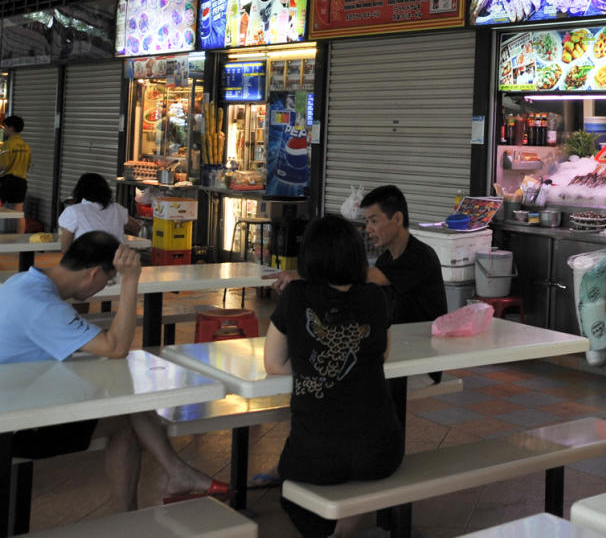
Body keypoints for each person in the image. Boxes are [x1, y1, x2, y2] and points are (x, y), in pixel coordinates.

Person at [0, 232, 226, 511]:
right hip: (11, 426)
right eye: (108, 281)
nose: (104, 287)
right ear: (94, 273)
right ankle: (149, 497)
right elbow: (117, 347)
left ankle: (169, 480)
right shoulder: (41, 305)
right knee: (127, 418)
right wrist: (130, 281)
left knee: (127, 408)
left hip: (22, 396)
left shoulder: (24, 282)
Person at [264, 215, 401, 538]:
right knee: (358, 473)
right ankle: (344, 530)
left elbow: (273, 364)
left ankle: (331, 534)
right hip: (383, 451)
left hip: (315, 456)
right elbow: (380, 355)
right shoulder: (375, 298)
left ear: (309, 256)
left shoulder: (295, 296)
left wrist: (313, 369)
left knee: (288, 487)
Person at [267, 184, 446, 377]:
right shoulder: (385, 259)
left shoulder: (419, 256)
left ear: (397, 219)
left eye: (374, 221)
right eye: (367, 221)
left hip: (423, 355)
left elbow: (362, 276)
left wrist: (304, 274)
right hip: (398, 346)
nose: (368, 229)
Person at [58, 172, 140, 251]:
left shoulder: (73, 211)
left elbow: (65, 248)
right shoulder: (116, 208)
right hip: (117, 260)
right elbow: (136, 227)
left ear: (79, 191)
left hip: (89, 261)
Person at [0, 115, 32, 233]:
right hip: (21, 181)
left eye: (5, 127)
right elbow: (28, 165)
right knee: (19, 212)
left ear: (11, 128)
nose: (4, 129)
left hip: (7, 180)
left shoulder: (8, 145)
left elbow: (3, 165)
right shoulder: (26, 146)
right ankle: (20, 239)